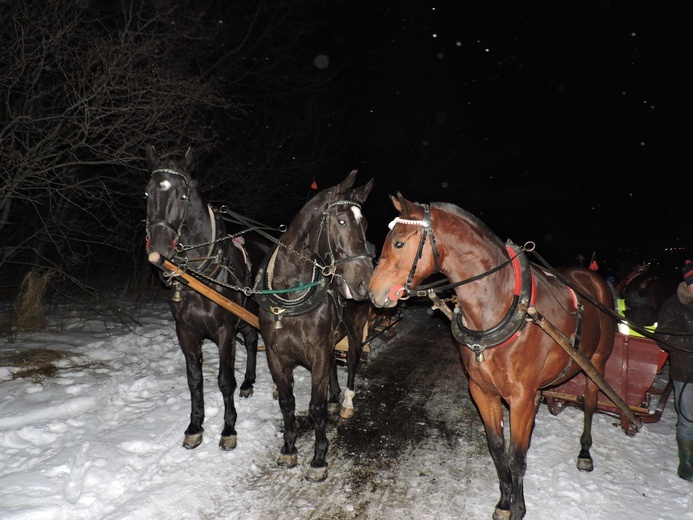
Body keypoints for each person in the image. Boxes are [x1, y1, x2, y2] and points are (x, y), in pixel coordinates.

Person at [655, 261, 693, 482]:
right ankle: (687, 465)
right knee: (688, 420)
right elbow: (664, 337)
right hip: (686, 371)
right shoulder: (673, 306)